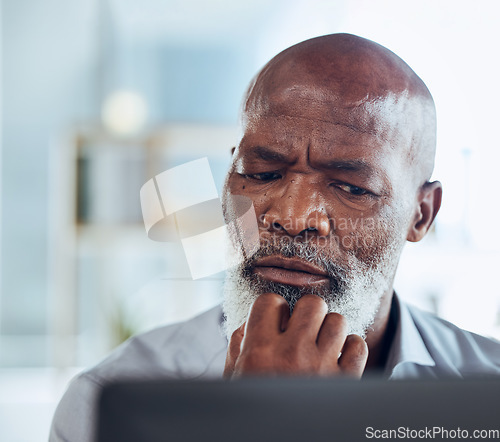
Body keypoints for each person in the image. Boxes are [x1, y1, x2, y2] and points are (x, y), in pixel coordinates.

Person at [50, 33, 500, 441]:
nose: (291, 215)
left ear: (421, 215)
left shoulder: (487, 391)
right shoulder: (108, 404)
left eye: (352, 188)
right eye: (261, 174)